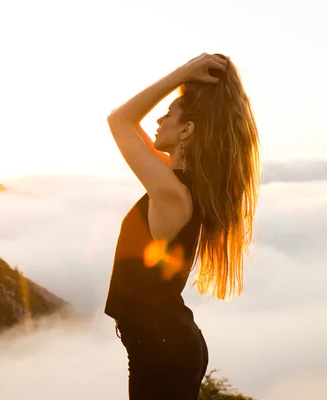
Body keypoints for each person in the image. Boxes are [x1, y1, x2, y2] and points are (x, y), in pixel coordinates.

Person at [104, 53, 260, 399]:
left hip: (162, 349)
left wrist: (182, 74)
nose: (157, 119)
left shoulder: (172, 193)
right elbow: (130, 125)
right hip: (165, 344)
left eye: (169, 114)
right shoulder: (182, 185)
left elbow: (120, 120)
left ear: (187, 130)